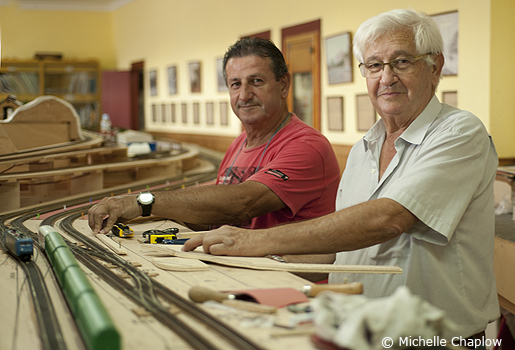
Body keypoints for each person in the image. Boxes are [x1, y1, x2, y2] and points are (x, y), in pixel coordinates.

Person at [183, 9, 500, 340]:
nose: (386, 77)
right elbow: (339, 249)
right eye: (374, 65)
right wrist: (258, 261)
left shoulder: (460, 132)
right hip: (359, 333)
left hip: (434, 339)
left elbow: (388, 219)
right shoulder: (365, 147)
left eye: (402, 62)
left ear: (435, 66)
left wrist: (253, 241)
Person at [88, 37, 340, 237]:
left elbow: (243, 202)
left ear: (283, 85)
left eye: (256, 81)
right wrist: (142, 214)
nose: (244, 95)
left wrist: (143, 203)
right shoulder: (239, 144)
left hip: (292, 284)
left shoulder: (306, 146)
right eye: (235, 84)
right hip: (241, 270)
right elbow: (218, 213)